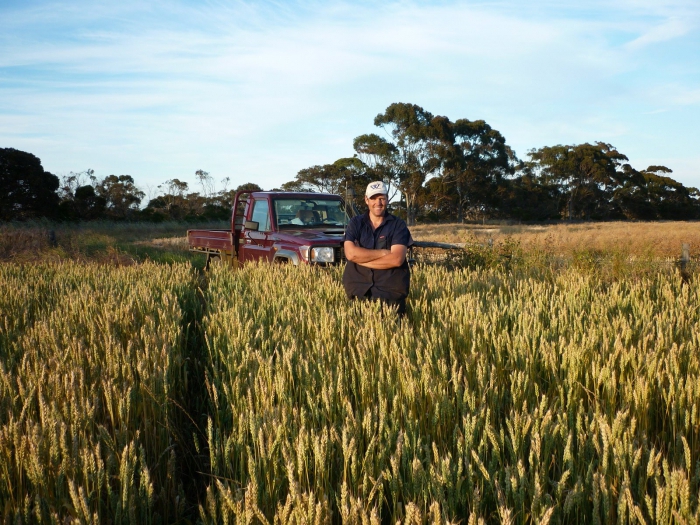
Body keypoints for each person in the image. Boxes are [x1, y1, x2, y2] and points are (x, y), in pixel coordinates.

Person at [343, 181, 412, 315]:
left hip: (390, 293)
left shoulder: (398, 225)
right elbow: (350, 254)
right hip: (358, 291)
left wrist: (360, 258)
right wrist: (383, 253)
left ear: (387, 199)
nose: (378, 203)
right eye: (374, 198)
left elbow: (397, 259)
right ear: (366, 200)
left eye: (382, 198)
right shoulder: (355, 223)